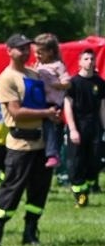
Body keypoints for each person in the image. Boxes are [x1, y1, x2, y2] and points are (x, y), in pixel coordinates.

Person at [0, 34, 60, 246]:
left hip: (42, 143)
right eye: (20, 48)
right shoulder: (6, 78)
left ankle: (30, 232)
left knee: (39, 192)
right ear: (9, 51)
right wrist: (47, 113)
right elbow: (16, 112)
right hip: (20, 144)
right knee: (11, 191)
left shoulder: (34, 74)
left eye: (28, 48)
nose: (26, 52)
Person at [64, 48, 103, 206]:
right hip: (78, 125)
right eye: (86, 59)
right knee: (76, 163)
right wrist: (73, 129)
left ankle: (88, 186)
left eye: (92, 59)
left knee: (94, 161)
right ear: (80, 62)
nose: (89, 62)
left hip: (95, 126)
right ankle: (80, 195)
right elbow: (68, 106)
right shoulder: (73, 83)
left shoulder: (100, 83)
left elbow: (103, 108)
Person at [31, 33, 69, 171]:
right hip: (40, 101)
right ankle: (41, 153)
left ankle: (53, 154)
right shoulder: (39, 64)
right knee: (42, 127)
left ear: (51, 52)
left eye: (40, 53)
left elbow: (67, 82)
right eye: (36, 52)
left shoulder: (57, 65)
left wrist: (57, 84)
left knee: (51, 126)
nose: (37, 55)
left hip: (53, 102)